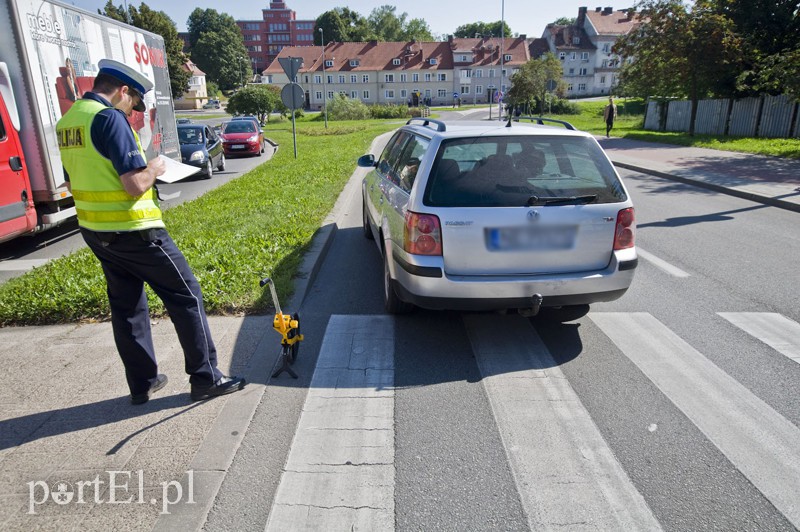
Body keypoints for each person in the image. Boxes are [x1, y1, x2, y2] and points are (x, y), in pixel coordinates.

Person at [55, 59, 245, 405]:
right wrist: (155, 167)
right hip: (136, 231)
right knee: (186, 296)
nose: (133, 112)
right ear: (123, 91)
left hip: (96, 231)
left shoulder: (68, 122)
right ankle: (206, 377)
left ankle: (142, 383)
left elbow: (71, 180)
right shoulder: (108, 118)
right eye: (133, 104)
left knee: (127, 307)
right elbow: (134, 184)